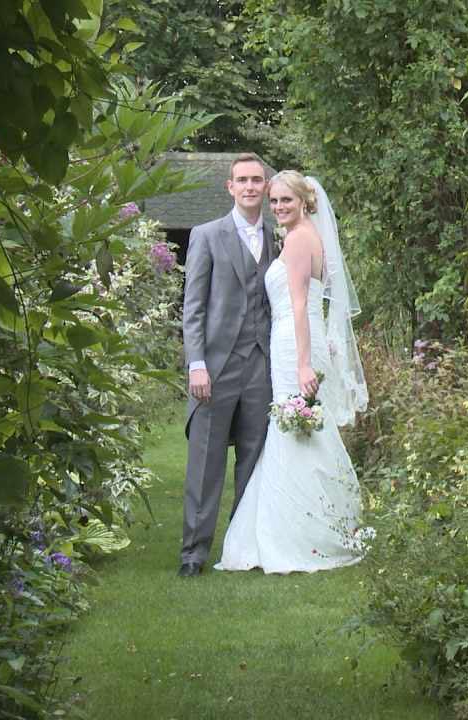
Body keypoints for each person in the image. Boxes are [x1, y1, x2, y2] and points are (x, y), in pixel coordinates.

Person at [214, 171, 370, 574]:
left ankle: (299, 534)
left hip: (294, 343)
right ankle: (307, 524)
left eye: (287, 201)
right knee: (297, 431)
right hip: (294, 339)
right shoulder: (300, 236)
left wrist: (302, 364)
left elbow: (299, 304)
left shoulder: (301, 239)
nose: (279, 208)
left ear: (305, 202)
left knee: (296, 430)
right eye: (275, 202)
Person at [177, 153, 277, 577]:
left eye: (257, 180)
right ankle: (193, 554)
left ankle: (242, 547)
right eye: (243, 180)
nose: (250, 186)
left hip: (262, 362)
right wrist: (196, 363)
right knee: (206, 458)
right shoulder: (206, 234)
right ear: (230, 187)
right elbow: (193, 306)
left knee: (254, 457)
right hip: (216, 364)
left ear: (266, 187)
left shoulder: (279, 238)